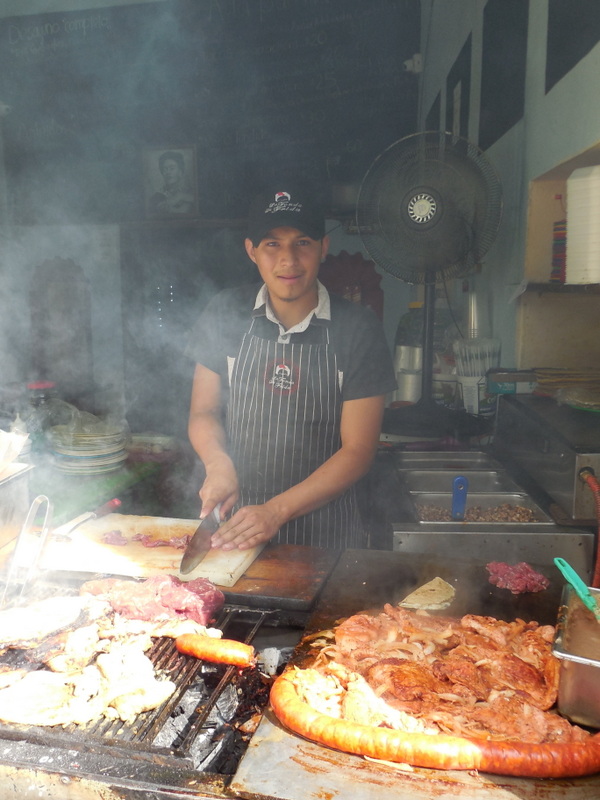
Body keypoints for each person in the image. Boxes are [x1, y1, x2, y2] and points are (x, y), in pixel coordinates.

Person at [185, 184, 396, 551]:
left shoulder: (358, 328)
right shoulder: (226, 312)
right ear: (251, 250)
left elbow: (359, 450)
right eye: (272, 244)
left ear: (323, 248)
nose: (289, 260)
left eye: (302, 243)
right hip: (237, 534)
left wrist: (276, 511)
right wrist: (218, 464)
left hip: (327, 541)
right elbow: (203, 411)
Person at [149, 150, 195, 215]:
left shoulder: (191, 192)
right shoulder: (156, 197)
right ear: (162, 173)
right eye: (165, 169)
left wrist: (181, 196)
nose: (168, 172)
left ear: (180, 172)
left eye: (172, 168)